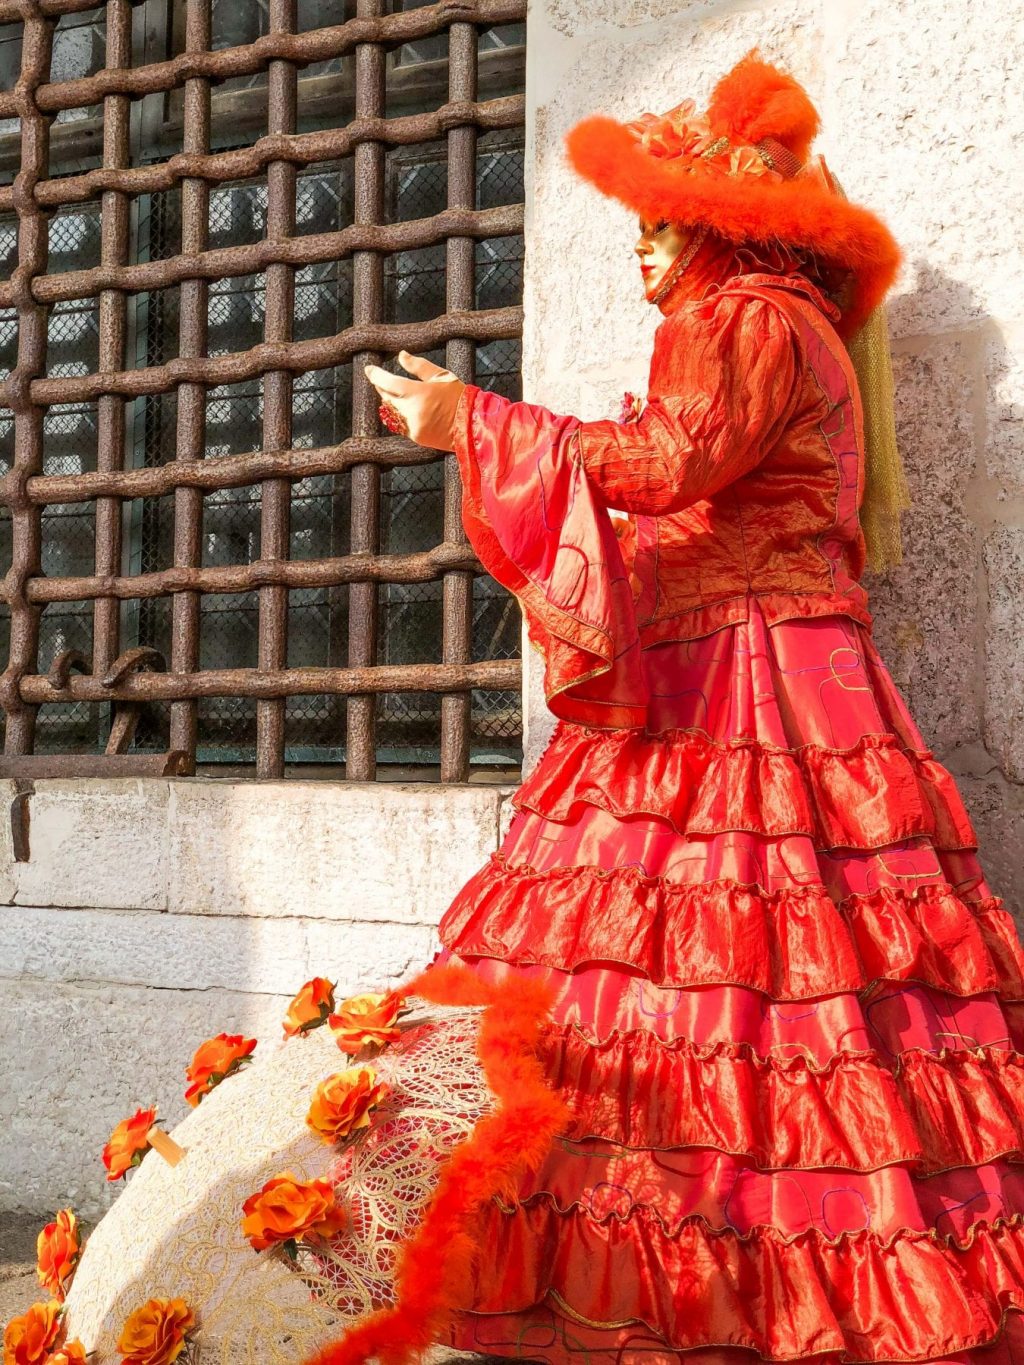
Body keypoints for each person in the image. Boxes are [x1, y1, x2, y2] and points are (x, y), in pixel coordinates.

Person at [18, 53, 1024, 1365]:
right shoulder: (790, 323)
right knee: (773, 999)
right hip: (791, 675)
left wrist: (471, 422)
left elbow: (670, 464)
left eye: (663, 225)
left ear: (720, 226)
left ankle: (744, 1292)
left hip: (750, 694)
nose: (644, 253)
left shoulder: (749, 318)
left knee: (749, 990)